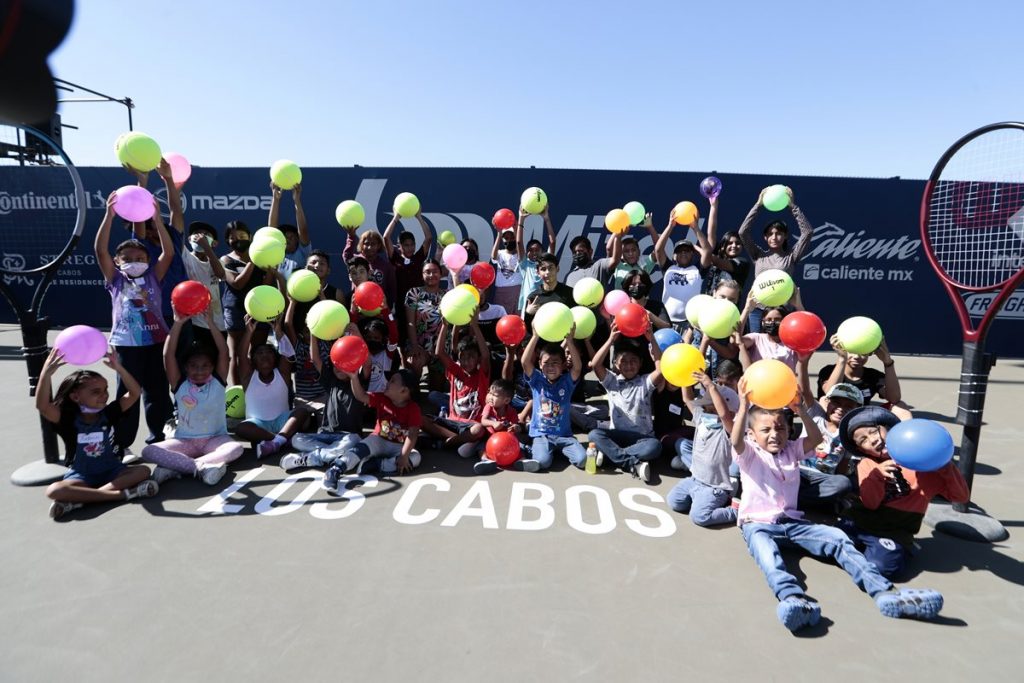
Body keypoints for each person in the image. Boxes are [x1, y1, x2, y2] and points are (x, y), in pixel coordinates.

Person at [731, 377, 945, 632]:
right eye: (765, 430)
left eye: (780, 428)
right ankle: (793, 599)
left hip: (793, 522)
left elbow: (815, 438)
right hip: (757, 525)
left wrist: (801, 410)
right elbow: (736, 441)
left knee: (838, 539)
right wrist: (743, 406)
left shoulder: (791, 450)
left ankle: (886, 594)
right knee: (769, 559)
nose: (774, 434)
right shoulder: (749, 453)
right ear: (752, 434)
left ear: (788, 431)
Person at [837, 406, 970, 578]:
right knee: (832, 543)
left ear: (889, 430)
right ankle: (861, 551)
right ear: (861, 450)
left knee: (882, 568)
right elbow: (870, 503)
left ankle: (888, 550)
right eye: (863, 440)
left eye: (874, 431)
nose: (873, 440)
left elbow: (960, 497)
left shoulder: (926, 468)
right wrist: (877, 475)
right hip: (860, 522)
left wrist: (944, 465)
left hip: (895, 532)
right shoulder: (867, 464)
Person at [95, 190, 174, 456]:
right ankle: (122, 443)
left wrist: (158, 219)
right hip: (126, 346)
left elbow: (169, 252)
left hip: (156, 342)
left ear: (148, 261)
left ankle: (159, 439)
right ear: (117, 262)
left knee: (158, 392)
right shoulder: (115, 279)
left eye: (140, 259)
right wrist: (109, 216)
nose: (134, 262)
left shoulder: (154, 276)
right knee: (127, 394)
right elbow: (100, 250)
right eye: (127, 259)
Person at [37, 347, 158, 520]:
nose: (104, 395)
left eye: (105, 389)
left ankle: (83, 499)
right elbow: (43, 406)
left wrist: (119, 368)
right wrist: (46, 373)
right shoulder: (66, 419)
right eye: (96, 392)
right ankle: (121, 495)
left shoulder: (109, 412)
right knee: (54, 490)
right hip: (82, 476)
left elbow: (134, 393)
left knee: (143, 471)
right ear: (75, 397)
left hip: (113, 471)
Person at [142, 308, 243, 486]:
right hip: (184, 441)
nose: (199, 371)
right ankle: (201, 467)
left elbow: (223, 352)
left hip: (215, 440)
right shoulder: (180, 383)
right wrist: (177, 323)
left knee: (235, 448)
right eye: (194, 366)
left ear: (213, 367)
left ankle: (176, 467)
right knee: (149, 451)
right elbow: (168, 355)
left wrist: (210, 322)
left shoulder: (218, 381)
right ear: (185, 367)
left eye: (205, 366)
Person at [281, 329, 370, 475]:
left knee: (352, 441)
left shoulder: (358, 380)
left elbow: (367, 363)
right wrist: (313, 333)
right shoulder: (331, 381)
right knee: (296, 439)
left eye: (343, 364)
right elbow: (315, 359)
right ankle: (329, 455)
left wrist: (357, 334)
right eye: (336, 365)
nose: (339, 368)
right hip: (325, 434)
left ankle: (310, 458)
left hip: (349, 435)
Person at [586, 322, 664, 483]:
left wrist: (652, 339)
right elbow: (595, 364)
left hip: (642, 438)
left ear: (640, 363)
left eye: (633, 361)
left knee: (655, 447)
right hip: (617, 435)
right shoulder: (612, 381)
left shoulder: (644, 382)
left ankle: (609, 455)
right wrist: (610, 340)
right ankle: (632, 463)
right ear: (615, 364)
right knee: (594, 435)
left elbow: (661, 370)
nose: (629, 365)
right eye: (623, 361)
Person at [667, 371, 740, 526]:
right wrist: (685, 377)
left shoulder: (728, 430)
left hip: (715, 487)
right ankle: (700, 500)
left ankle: (735, 511)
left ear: (732, 413)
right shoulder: (701, 419)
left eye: (713, 411)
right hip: (695, 479)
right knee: (674, 502)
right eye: (707, 409)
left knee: (699, 517)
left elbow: (724, 415)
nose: (708, 413)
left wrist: (711, 387)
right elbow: (687, 399)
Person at [324, 369, 423, 483]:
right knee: (360, 448)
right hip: (378, 439)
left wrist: (404, 456)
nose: (387, 382)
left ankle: (377, 465)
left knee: (415, 457)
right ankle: (337, 468)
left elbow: (413, 434)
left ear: (403, 390)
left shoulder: (413, 409)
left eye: (392, 381)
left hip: (399, 446)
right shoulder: (381, 398)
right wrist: (354, 377)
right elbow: (361, 396)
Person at [738, 186, 814, 332]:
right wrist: (758, 205)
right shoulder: (758, 255)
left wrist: (792, 207)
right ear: (765, 237)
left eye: (779, 233)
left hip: (782, 310)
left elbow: (807, 232)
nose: (774, 237)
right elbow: (743, 232)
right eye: (770, 234)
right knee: (756, 343)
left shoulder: (791, 256)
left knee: (781, 343)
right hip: (758, 309)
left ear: (785, 236)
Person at [234, 316, 306, 459]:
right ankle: (280, 439)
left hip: (282, 421)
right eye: (260, 353)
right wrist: (249, 332)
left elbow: (287, 352)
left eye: (269, 352)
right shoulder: (248, 376)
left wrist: (278, 331)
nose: (265, 355)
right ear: (253, 360)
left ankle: (275, 442)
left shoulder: (282, 373)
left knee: (302, 412)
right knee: (241, 428)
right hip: (258, 424)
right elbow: (241, 355)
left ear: (275, 358)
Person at [220, 220, 282, 385]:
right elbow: (237, 284)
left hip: (260, 310)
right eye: (233, 237)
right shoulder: (226, 260)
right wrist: (253, 260)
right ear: (227, 241)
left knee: (257, 352)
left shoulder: (261, 258)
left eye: (242, 236)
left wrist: (271, 270)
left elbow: (266, 285)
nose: (238, 240)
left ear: (250, 237)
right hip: (235, 311)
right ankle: (237, 392)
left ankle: (256, 388)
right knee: (236, 354)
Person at [129, 159, 187, 328]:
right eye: (151, 224)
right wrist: (142, 183)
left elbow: (176, 210)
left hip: (181, 309)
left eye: (158, 219)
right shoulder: (141, 246)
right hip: (154, 311)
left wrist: (168, 178)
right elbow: (138, 216)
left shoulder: (173, 237)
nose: (156, 224)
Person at [422, 316, 491, 455]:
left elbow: (485, 356)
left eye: (471, 357)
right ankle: (458, 440)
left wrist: (475, 325)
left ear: (477, 359)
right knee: (419, 419)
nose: (466, 361)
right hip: (451, 422)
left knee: (478, 430)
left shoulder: (481, 375)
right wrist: (444, 326)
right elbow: (439, 353)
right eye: (463, 357)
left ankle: (445, 443)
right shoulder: (455, 371)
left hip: (471, 425)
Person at [521, 324, 586, 470]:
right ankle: (527, 448)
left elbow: (577, 368)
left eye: (555, 363)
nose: (550, 367)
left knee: (582, 460)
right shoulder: (537, 380)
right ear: (540, 364)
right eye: (546, 363)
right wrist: (535, 336)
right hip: (542, 435)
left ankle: (555, 450)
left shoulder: (567, 382)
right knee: (542, 463)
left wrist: (570, 341)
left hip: (564, 436)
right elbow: (525, 362)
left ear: (563, 365)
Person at [180, 221, 228, 361]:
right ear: (189, 239)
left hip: (217, 324)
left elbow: (220, 274)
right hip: (193, 324)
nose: (200, 236)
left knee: (216, 362)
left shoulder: (218, 262)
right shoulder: (185, 255)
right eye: (196, 233)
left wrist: (206, 247)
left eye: (206, 235)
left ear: (215, 243)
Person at [818, 334, 902, 408]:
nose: (857, 357)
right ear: (843, 350)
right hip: (834, 414)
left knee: (900, 405)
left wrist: (888, 363)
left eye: (863, 353)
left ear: (870, 353)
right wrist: (842, 359)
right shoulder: (829, 371)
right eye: (851, 351)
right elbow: (829, 393)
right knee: (823, 400)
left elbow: (894, 399)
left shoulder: (874, 375)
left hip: (861, 417)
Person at [472, 378, 536, 474]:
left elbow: (515, 425)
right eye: (490, 393)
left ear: (506, 400)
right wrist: (493, 423)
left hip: (506, 441)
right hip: (490, 438)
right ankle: (485, 460)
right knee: (481, 447)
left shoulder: (512, 411)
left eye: (495, 395)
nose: (490, 397)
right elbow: (483, 421)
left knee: (520, 446)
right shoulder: (488, 407)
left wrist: (516, 428)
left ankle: (522, 460)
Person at [659, 209, 706, 334]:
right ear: (674, 256)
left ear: (693, 254)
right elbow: (658, 250)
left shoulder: (697, 269)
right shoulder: (669, 268)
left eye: (687, 251)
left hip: (689, 324)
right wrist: (670, 226)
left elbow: (707, 253)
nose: (683, 253)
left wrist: (695, 229)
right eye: (679, 251)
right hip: (666, 322)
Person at [383, 210, 433, 326]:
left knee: (420, 330)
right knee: (403, 332)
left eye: (412, 245)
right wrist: (396, 218)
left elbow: (429, 237)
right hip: (401, 305)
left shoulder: (418, 257)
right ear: (399, 246)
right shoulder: (395, 258)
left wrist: (419, 217)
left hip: (420, 304)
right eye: (406, 245)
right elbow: (386, 237)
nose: (410, 248)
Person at [404, 259, 445, 386]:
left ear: (441, 274)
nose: (431, 275)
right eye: (427, 272)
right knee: (415, 363)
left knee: (436, 388)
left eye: (435, 271)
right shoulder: (414, 293)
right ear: (422, 275)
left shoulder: (447, 295)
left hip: (441, 346)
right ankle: (413, 393)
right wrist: (415, 346)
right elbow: (410, 322)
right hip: (418, 343)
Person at [738, 291, 798, 370]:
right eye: (769, 319)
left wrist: (798, 305)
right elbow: (736, 339)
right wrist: (747, 309)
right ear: (763, 322)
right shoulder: (756, 338)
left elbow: (808, 332)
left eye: (777, 319)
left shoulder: (791, 343)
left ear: (784, 321)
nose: (772, 322)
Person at [515, 206, 557, 314]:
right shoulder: (525, 264)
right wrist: (521, 218)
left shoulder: (546, 262)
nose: (534, 252)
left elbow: (552, 242)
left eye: (537, 250)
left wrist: (546, 218)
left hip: (546, 303)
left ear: (543, 251)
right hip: (529, 305)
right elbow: (519, 242)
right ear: (526, 253)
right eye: (530, 250)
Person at [343, 227, 396, 307]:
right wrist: (351, 237)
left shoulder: (385, 266)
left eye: (373, 244)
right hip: (357, 304)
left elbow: (391, 290)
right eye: (366, 244)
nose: (369, 247)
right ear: (361, 245)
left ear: (379, 245)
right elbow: (347, 256)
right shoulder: (355, 260)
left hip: (378, 306)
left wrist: (387, 307)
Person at [267, 182, 311, 279]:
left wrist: (297, 200)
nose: (287, 239)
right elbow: (272, 231)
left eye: (291, 237)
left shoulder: (303, 252)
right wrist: (275, 199)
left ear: (297, 239)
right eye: (284, 237)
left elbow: (303, 230)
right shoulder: (276, 253)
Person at [523, 253, 574, 329]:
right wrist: (528, 314)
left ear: (557, 269)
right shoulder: (533, 297)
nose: (547, 272)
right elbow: (529, 330)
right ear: (538, 272)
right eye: (543, 269)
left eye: (551, 268)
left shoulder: (570, 293)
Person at [612, 213, 662, 288]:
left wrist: (650, 227)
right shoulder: (617, 265)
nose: (630, 253)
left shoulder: (645, 264)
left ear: (639, 252)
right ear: (621, 254)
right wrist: (618, 232)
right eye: (626, 251)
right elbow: (609, 249)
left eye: (633, 250)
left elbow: (659, 249)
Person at [490, 216, 523, 314]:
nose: (509, 240)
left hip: (517, 290)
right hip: (501, 292)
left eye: (512, 238)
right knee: (502, 319)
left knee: (516, 319)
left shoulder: (520, 254)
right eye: (506, 238)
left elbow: (519, 244)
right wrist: (499, 233)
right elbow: (493, 257)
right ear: (502, 239)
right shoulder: (500, 253)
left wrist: (516, 230)